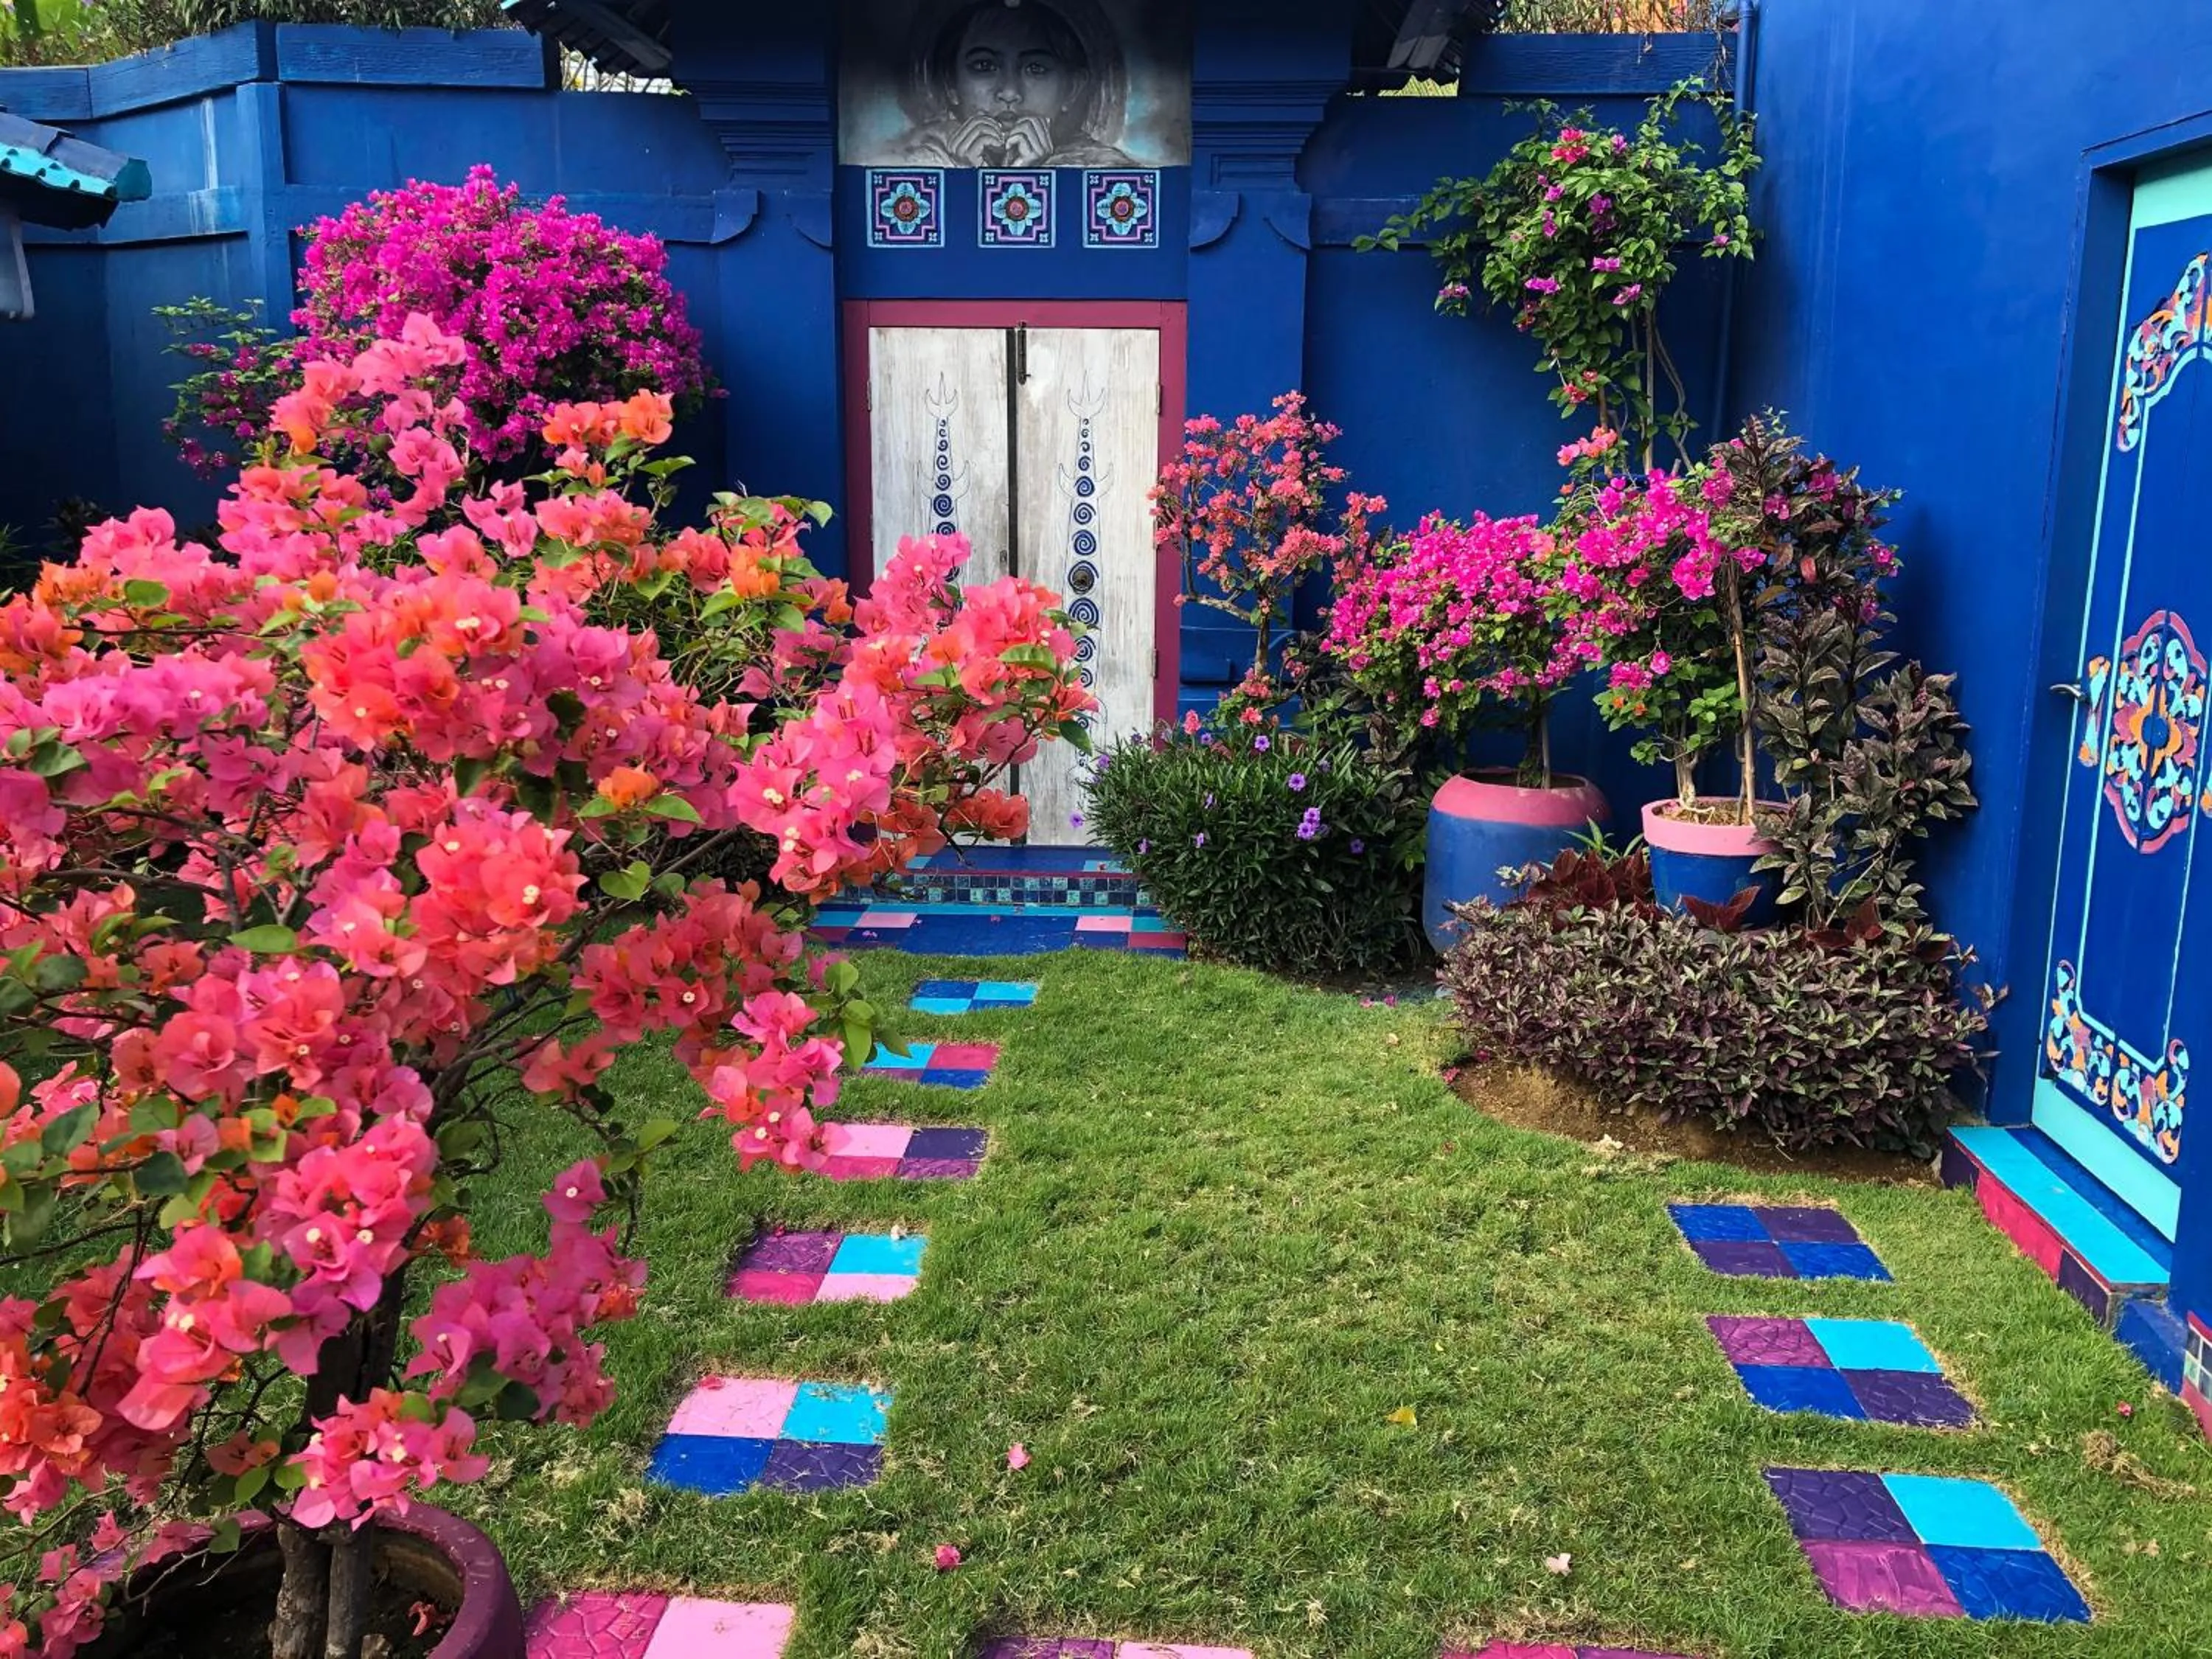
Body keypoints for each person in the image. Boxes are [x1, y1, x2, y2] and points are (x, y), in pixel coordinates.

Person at [896, 0, 1135, 168]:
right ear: (949, 83)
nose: (1009, 93)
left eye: (1036, 69)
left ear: (1072, 89)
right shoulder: (908, 165)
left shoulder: (1110, 176)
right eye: (984, 67)